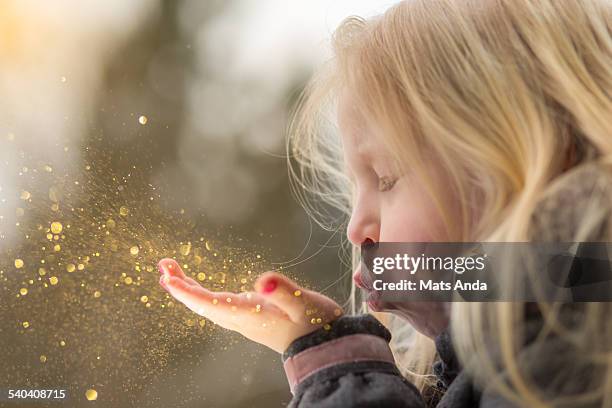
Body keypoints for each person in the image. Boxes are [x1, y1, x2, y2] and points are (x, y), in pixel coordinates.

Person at [158, 1, 612, 406]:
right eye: (357, 189)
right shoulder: (530, 337)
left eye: (387, 178)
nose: (357, 229)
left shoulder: (566, 357)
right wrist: (332, 353)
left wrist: (341, 377)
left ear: (521, 155)